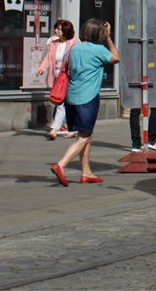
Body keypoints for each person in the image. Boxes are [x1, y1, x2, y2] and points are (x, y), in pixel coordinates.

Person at [51, 19, 118, 186]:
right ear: (99, 34)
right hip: (87, 98)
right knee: (84, 136)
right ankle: (62, 164)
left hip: (71, 97)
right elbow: (116, 58)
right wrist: (109, 38)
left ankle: (86, 172)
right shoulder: (99, 50)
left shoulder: (73, 47)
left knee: (84, 134)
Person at [35, 19, 79, 139]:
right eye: (56, 28)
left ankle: (54, 129)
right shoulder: (54, 44)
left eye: (58, 29)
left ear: (66, 30)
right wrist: (42, 68)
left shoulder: (74, 43)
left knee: (61, 104)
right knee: (65, 103)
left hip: (68, 78)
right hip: (56, 78)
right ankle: (74, 128)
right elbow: (48, 58)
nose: (55, 31)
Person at [129, 51, 156, 153]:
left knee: (135, 109)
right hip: (152, 73)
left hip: (136, 73)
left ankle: (136, 144)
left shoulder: (133, 36)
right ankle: (151, 140)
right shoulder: (155, 36)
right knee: (155, 107)